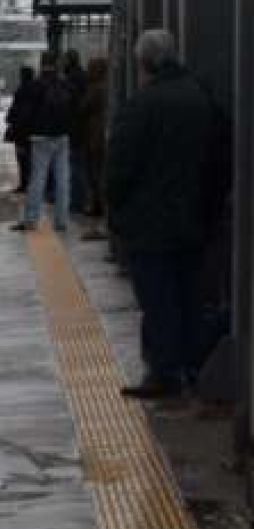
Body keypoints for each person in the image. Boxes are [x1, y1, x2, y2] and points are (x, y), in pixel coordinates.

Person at [106, 30, 232, 398]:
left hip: (150, 225)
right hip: (194, 221)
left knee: (158, 299)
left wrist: (119, 213)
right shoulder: (202, 98)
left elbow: (119, 169)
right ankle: (193, 365)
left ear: (144, 63)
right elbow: (222, 160)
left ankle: (163, 372)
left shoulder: (141, 104)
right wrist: (210, 207)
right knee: (190, 294)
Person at [13, 53, 74, 232]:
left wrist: (22, 138)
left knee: (38, 178)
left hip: (40, 137)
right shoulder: (64, 84)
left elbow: (26, 114)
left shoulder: (35, 85)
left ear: (42, 64)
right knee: (62, 179)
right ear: (56, 64)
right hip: (62, 136)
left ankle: (31, 219)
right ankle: (61, 221)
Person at [80, 58, 111, 241]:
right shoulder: (108, 88)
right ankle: (99, 204)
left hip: (94, 136)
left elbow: (83, 107)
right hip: (100, 136)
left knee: (96, 173)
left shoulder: (95, 89)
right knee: (98, 172)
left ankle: (97, 204)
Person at [63, 50, 91, 216]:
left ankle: (77, 202)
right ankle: (80, 200)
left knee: (75, 166)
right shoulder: (84, 77)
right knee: (80, 166)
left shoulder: (71, 80)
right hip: (82, 129)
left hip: (75, 129)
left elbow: (73, 105)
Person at [4, 66, 36, 193]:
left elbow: (16, 109)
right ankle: (31, 183)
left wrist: (10, 119)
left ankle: (24, 183)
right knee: (32, 158)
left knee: (22, 159)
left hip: (21, 131)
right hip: (33, 130)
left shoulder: (21, 90)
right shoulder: (37, 89)